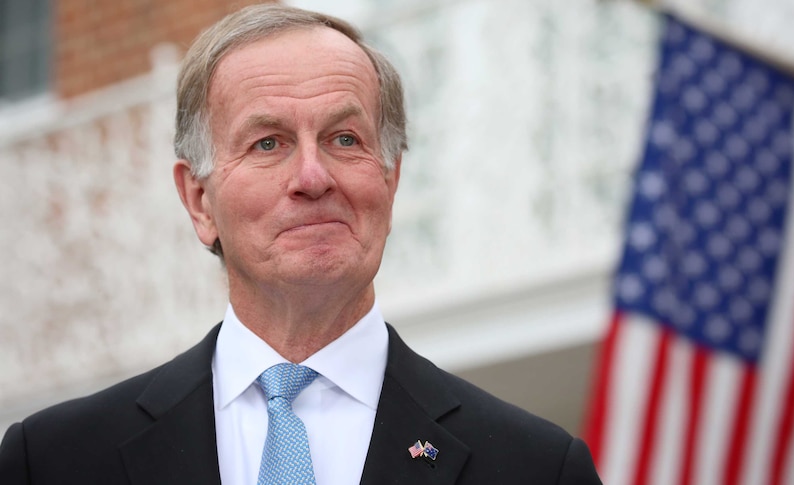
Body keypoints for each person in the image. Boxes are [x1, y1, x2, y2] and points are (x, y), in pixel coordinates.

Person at [0, 4, 601, 484]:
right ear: (199, 200)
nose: (313, 177)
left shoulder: (536, 468)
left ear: (390, 181)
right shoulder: (52, 460)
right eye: (268, 143)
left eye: (344, 139)